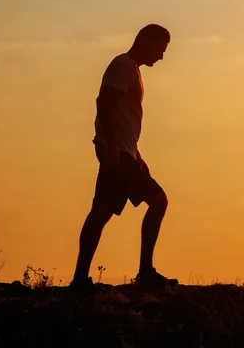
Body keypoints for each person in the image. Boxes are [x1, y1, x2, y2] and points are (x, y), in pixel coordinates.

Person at [70, 24, 177, 291]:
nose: (161, 56)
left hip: (124, 151)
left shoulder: (133, 70)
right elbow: (104, 103)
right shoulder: (124, 66)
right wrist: (113, 147)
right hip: (117, 151)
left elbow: (124, 117)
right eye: (160, 49)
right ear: (145, 41)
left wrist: (135, 154)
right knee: (158, 200)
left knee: (102, 210)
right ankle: (145, 272)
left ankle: (80, 279)